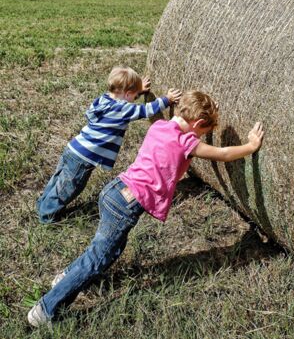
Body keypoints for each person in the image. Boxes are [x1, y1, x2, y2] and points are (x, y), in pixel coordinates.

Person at [28, 90, 264, 326]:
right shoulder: (186, 142)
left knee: (110, 250)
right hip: (126, 205)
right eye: (204, 132)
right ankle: (46, 309)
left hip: (114, 191)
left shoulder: (159, 126)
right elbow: (222, 154)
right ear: (199, 123)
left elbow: (175, 158)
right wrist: (251, 146)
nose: (202, 138)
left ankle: (68, 277)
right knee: (98, 258)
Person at [36, 66, 181, 224]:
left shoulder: (104, 99)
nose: (134, 99)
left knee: (58, 179)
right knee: (68, 187)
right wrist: (167, 99)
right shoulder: (122, 109)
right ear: (126, 94)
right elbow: (146, 110)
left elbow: (125, 103)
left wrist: (138, 91)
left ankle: (42, 205)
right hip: (84, 157)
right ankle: (47, 217)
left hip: (74, 147)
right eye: (133, 96)